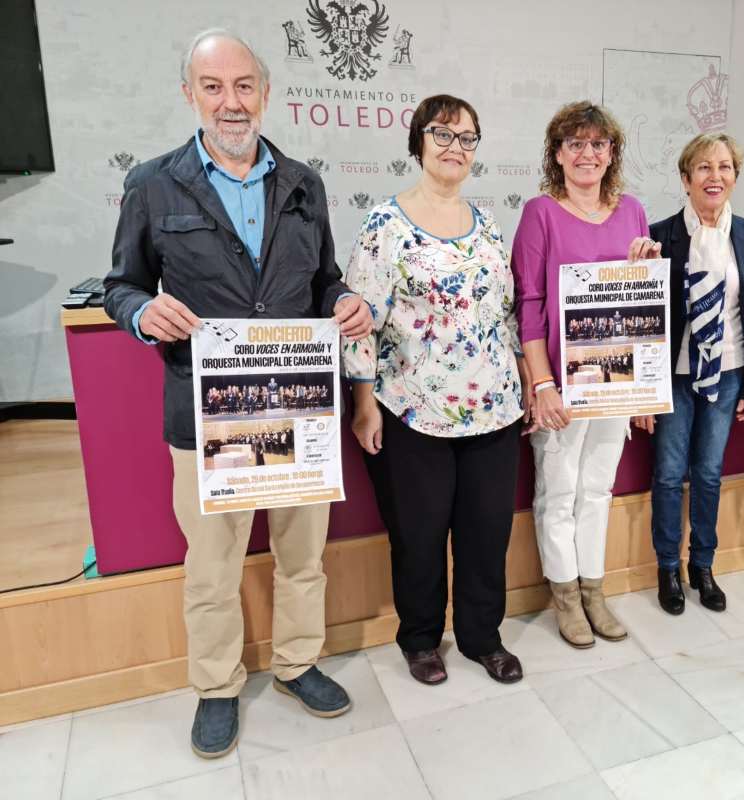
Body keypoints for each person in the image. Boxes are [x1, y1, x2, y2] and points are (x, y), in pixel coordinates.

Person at [103, 29, 372, 759]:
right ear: (189, 94)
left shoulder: (304, 183)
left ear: (265, 92)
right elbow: (120, 284)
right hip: (204, 407)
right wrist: (137, 311)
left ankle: (296, 662)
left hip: (296, 402)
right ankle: (217, 686)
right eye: (214, 86)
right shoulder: (153, 183)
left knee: (302, 553)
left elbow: (324, 279)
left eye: (244, 85)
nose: (231, 101)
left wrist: (345, 301)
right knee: (213, 565)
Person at [344, 94, 529, 686]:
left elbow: (507, 313)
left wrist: (526, 382)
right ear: (418, 143)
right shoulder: (384, 224)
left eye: (467, 138)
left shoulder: (490, 223)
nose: (456, 148)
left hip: (494, 410)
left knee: (486, 533)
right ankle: (421, 639)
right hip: (412, 410)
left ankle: (482, 636)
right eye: (443, 134)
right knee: (419, 535)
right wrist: (364, 403)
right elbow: (359, 321)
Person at [512, 101, 657, 648]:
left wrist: (645, 384)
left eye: (598, 144)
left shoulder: (633, 212)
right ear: (557, 153)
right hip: (561, 387)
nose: (587, 154)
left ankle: (595, 591)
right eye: (575, 144)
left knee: (598, 489)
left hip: (616, 383)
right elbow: (528, 304)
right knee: (558, 490)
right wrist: (541, 384)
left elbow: (642, 305)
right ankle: (565, 596)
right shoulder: (540, 213)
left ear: (612, 152)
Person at [633, 132, 744, 615]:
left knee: (709, 474)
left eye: (725, 167)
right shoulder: (660, 234)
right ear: (686, 178)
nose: (715, 176)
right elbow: (645, 319)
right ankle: (667, 566)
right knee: (669, 475)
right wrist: (644, 391)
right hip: (675, 374)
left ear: (735, 176)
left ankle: (702, 566)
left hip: (728, 372)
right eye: (704, 168)